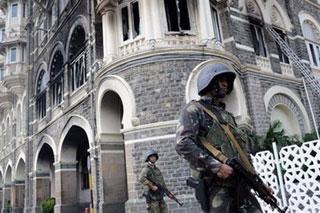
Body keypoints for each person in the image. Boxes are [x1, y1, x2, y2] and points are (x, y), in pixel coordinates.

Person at [175, 63, 263, 213]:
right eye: (221, 80)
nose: (225, 84)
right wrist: (216, 166)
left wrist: (258, 182)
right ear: (208, 82)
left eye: (226, 81)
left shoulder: (227, 116)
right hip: (218, 185)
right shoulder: (195, 109)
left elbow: (241, 151)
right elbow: (183, 143)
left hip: (241, 184)